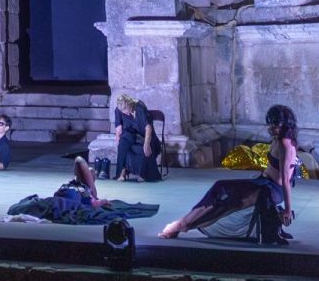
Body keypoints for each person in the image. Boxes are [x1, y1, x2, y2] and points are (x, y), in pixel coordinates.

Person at [158, 105, 300, 242]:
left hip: (270, 189)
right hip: (264, 183)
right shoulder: (280, 139)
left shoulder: (285, 144)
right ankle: (182, 224)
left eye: (276, 125)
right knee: (221, 192)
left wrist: (288, 209)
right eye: (271, 125)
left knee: (225, 199)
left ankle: (181, 225)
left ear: (286, 124)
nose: (271, 128)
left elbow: (286, 179)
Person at [112, 94, 161, 182]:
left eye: (126, 110)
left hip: (145, 135)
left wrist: (146, 144)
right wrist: (118, 144)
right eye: (123, 112)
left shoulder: (139, 107)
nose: (126, 113)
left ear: (130, 104)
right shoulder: (118, 110)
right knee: (122, 144)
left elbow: (148, 127)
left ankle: (145, 174)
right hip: (131, 134)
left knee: (143, 148)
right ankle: (121, 174)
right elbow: (118, 130)